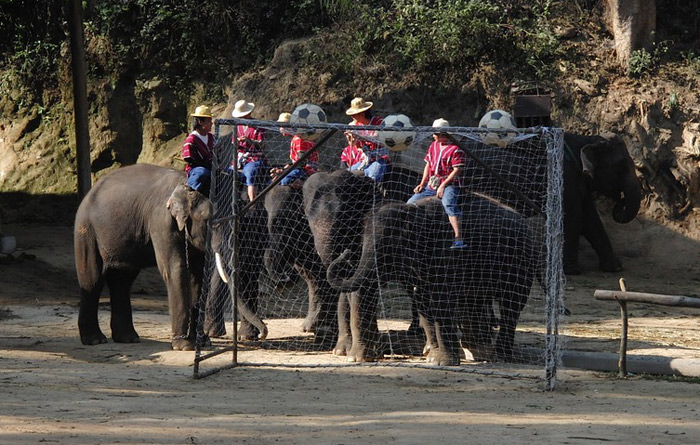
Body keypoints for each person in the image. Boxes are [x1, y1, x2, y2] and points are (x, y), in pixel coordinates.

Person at [407, 118, 467, 249]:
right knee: (410, 203)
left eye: (435, 133)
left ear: (442, 134)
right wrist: (422, 184)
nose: (433, 135)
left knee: (449, 204)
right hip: (432, 184)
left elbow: (457, 170)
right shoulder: (433, 145)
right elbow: (428, 165)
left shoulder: (455, 149)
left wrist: (443, 185)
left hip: (450, 184)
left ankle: (458, 238)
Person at [341, 97, 389, 182]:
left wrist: (359, 136)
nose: (352, 117)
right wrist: (351, 139)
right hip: (365, 159)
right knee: (345, 176)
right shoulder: (354, 125)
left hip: (380, 158)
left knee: (373, 177)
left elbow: (377, 137)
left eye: (354, 115)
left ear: (362, 114)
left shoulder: (378, 122)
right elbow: (355, 146)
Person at [270, 112, 319, 189]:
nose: (280, 129)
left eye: (283, 126)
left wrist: (284, 170)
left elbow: (301, 162)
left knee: (285, 180)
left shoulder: (299, 139)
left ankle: (306, 187)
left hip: (307, 170)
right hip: (299, 168)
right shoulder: (296, 138)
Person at [231, 99, 267, 202]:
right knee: (229, 173)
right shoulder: (237, 126)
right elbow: (233, 142)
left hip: (255, 157)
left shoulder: (258, 126)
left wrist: (249, 141)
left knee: (249, 172)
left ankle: (252, 203)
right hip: (240, 158)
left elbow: (262, 144)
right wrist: (237, 141)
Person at [181, 105, 215, 196]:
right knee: (202, 173)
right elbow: (190, 160)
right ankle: (188, 189)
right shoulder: (191, 139)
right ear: (200, 122)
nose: (211, 123)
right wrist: (207, 165)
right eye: (208, 121)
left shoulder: (212, 138)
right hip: (196, 168)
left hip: (212, 167)